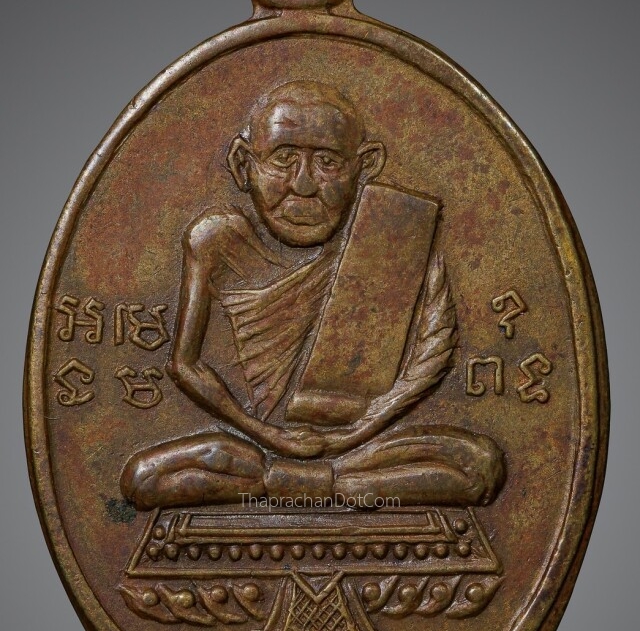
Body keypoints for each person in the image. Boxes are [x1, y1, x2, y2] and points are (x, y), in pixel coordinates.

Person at [121, 81, 504, 510]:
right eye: (283, 159)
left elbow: (430, 358)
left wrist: (354, 434)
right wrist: (268, 436)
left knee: (479, 466)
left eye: (327, 162)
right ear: (243, 163)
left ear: (365, 166)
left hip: (362, 448)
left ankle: (317, 484)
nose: (303, 185)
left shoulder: (396, 235)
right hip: (254, 448)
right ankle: (300, 482)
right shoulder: (216, 239)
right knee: (144, 478)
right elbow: (184, 365)